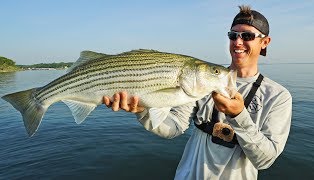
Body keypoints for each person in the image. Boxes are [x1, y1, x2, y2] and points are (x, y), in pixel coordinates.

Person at [103, 5, 292, 180]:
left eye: (247, 36)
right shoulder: (202, 83)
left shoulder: (277, 96)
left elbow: (265, 160)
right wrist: (143, 110)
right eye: (233, 35)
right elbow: (174, 127)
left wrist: (238, 115)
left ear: (265, 42)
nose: (238, 42)